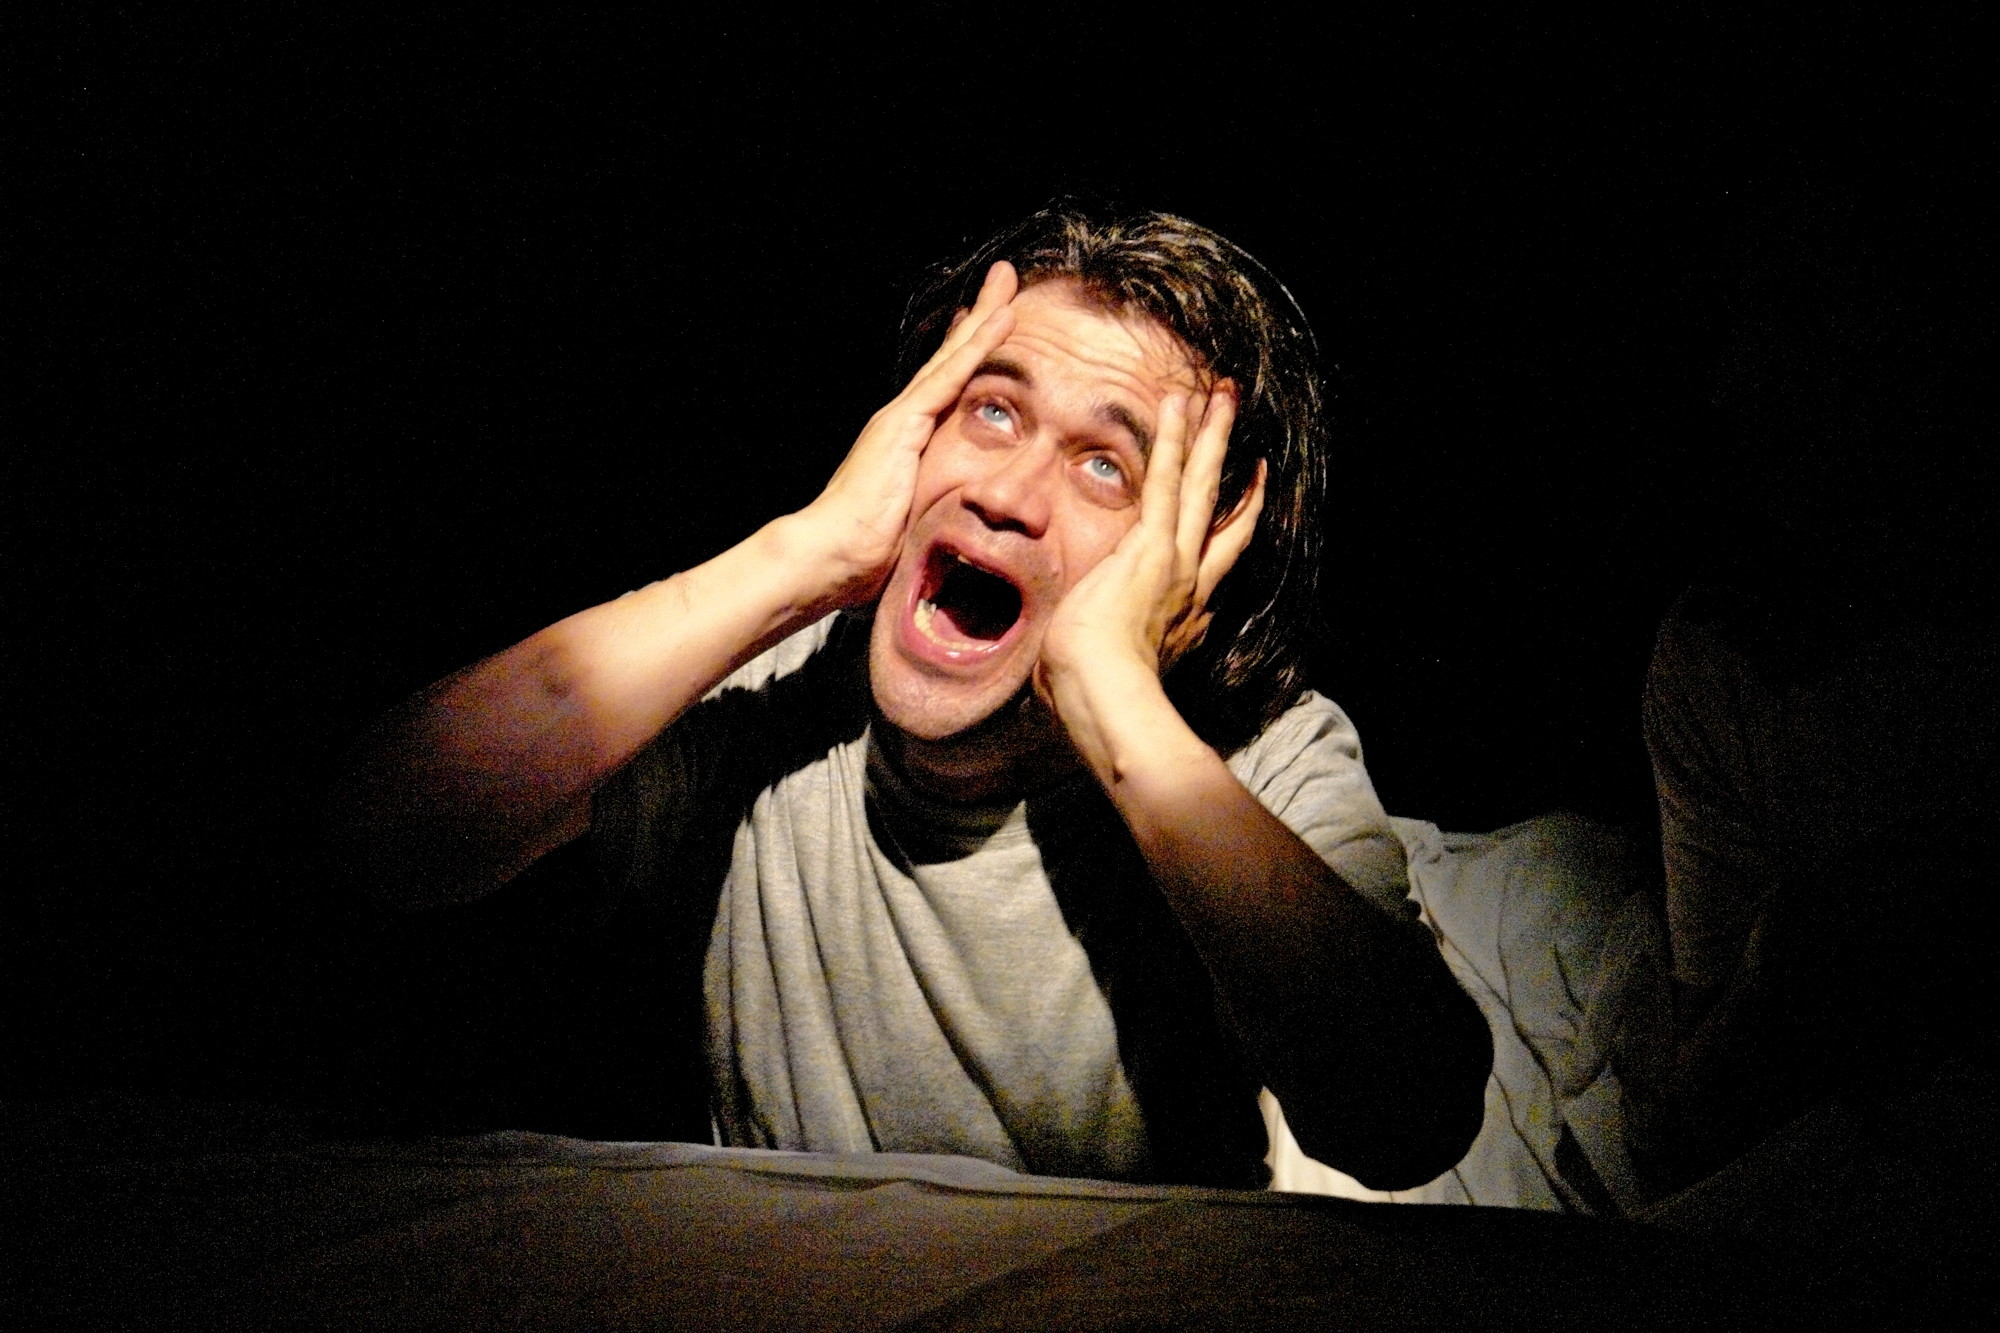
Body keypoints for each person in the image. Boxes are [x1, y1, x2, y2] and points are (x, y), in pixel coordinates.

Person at [327, 205, 1491, 1190]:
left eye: (1105, 464)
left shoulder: (1253, 761)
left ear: (1195, 548)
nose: (1008, 494)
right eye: (991, 409)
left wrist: (1108, 695)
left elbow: (1405, 1122)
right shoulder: (777, 701)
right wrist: (803, 554)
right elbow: (382, 835)